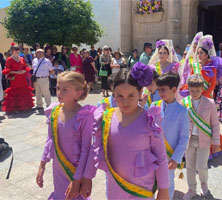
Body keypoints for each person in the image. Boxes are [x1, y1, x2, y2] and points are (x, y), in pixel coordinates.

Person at [80, 64, 170, 200]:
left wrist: (163, 189)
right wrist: (87, 177)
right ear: (113, 94)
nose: (125, 101)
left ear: (140, 93)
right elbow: (95, 148)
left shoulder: (150, 120)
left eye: (131, 95)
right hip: (115, 186)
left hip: (141, 189)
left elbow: (161, 156)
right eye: (119, 96)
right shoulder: (106, 118)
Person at [36, 71, 95, 200]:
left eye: (64, 90)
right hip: (58, 169)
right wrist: (42, 165)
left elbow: (86, 149)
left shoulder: (85, 115)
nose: (59, 93)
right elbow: (50, 139)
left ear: (78, 93)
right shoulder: (55, 111)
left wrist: (78, 179)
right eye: (58, 88)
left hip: (75, 171)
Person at [150, 72, 189, 199]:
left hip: (168, 157)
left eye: (163, 90)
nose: (159, 93)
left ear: (173, 89)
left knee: (167, 185)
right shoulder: (153, 106)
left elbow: (184, 138)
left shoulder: (182, 111)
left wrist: (176, 159)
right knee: (148, 184)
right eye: (158, 89)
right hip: (150, 155)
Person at [182, 75, 221, 199]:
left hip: (203, 140)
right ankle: (191, 189)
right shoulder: (184, 102)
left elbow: (215, 123)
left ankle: (204, 183)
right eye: (192, 90)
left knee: (201, 166)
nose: (194, 93)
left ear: (202, 89)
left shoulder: (209, 103)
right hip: (189, 140)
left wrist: (216, 142)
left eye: (197, 90)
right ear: (188, 89)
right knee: (189, 166)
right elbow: (180, 122)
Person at [1, 43, 34, 113]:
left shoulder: (22, 58)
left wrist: (24, 71)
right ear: (12, 50)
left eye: (18, 49)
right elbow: (7, 71)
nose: (18, 50)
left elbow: (25, 67)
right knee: (15, 92)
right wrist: (17, 72)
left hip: (23, 79)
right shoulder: (9, 59)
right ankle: (16, 108)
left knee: (24, 91)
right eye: (16, 49)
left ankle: (24, 107)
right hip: (15, 80)